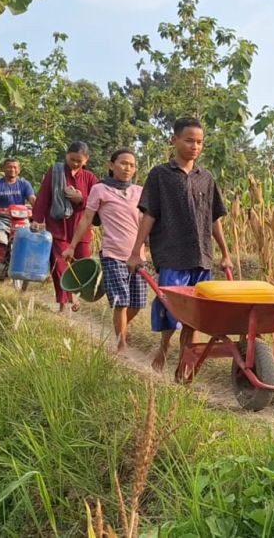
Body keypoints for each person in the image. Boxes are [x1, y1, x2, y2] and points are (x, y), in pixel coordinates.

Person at [126, 117, 233, 374]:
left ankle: (186, 363)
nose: (194, 146)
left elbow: (214, 218)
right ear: (174, 140)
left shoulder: (205, 178)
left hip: (201, 256)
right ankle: (164, 347)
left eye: (199, 142)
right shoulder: (160, 175)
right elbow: (149, 214)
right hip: (172, 254)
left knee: (195, 314)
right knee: (169, 308)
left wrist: (226, 254)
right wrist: (136, 251)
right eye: (189, 141)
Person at [63, 149, 147, 353]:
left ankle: (121, 330)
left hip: (137, 255)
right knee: (121, 301)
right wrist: (72, 245)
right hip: (113, 254)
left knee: (138, 302)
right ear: (111, 165)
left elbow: (147, 222)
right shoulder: (100, 189)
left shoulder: (139, 191)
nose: (128, 168)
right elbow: (86, 219)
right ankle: (121, 345)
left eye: (132, 165)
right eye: (123, 163)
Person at [31, 142, 99, 313]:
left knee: (83, 264)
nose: (75, 163)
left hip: (81, 228)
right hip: (58, 226)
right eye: (72, 159)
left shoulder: (90, 178)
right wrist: (36, 219)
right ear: (66, 155)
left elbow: (97, 201)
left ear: (86, 160)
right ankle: (64, 303)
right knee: (60, 266)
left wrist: (81, 199)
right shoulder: (55, 172)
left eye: (79, 161)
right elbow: (43, 197)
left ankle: (79, 295)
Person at [0, 158, 36, 274]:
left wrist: (38, 206)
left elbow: (32, 198)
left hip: (21, 218)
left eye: (15, 167)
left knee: (30, 238)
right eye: (9, 167)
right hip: (2, 218)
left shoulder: (25, 184)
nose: (12, 169)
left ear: (19, 170)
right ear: (3, 169)